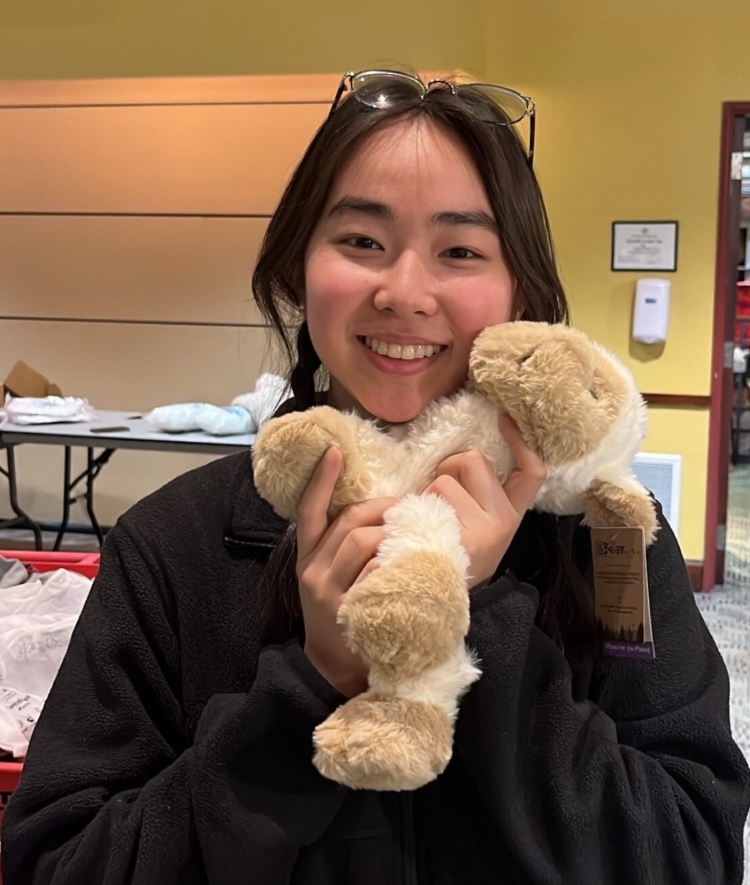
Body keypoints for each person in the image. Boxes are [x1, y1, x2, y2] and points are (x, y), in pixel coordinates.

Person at [2, 69, 749, 884]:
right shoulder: (173, 540)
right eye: (362, 241)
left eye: (460, 250)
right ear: (299, 265)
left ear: (520, 293)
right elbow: (59, 861)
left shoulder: (606, 536)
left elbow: (692, 850)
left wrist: (482, 612)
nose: (404, 292)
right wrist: (308, 688)